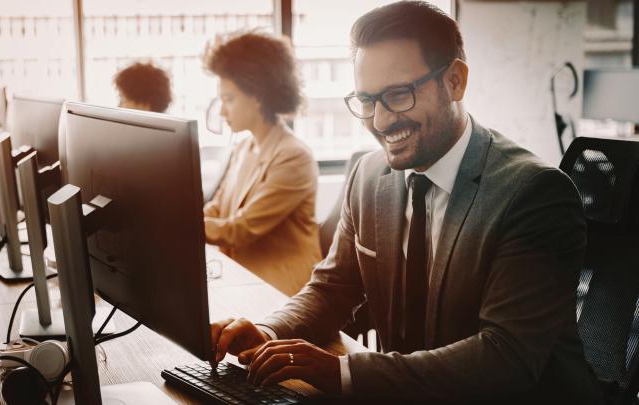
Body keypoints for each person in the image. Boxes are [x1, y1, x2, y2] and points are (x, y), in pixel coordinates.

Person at [209, 2, 604, 403]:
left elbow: (506, 358)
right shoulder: (368, 176)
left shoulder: (534, 193)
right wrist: (270, 330)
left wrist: (342, 372)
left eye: (398, 95)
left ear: (454, 81)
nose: (380, 122)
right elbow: (333, 288)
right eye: (367, 100)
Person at [202, 31, 321, 297]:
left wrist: (182, 226)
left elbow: (240, 231)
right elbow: (218, 209)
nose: (222, 112)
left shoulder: (294, 156)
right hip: (241, 275)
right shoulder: (243, 148)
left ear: (256, 96)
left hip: (282, 289)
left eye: (229, 99)